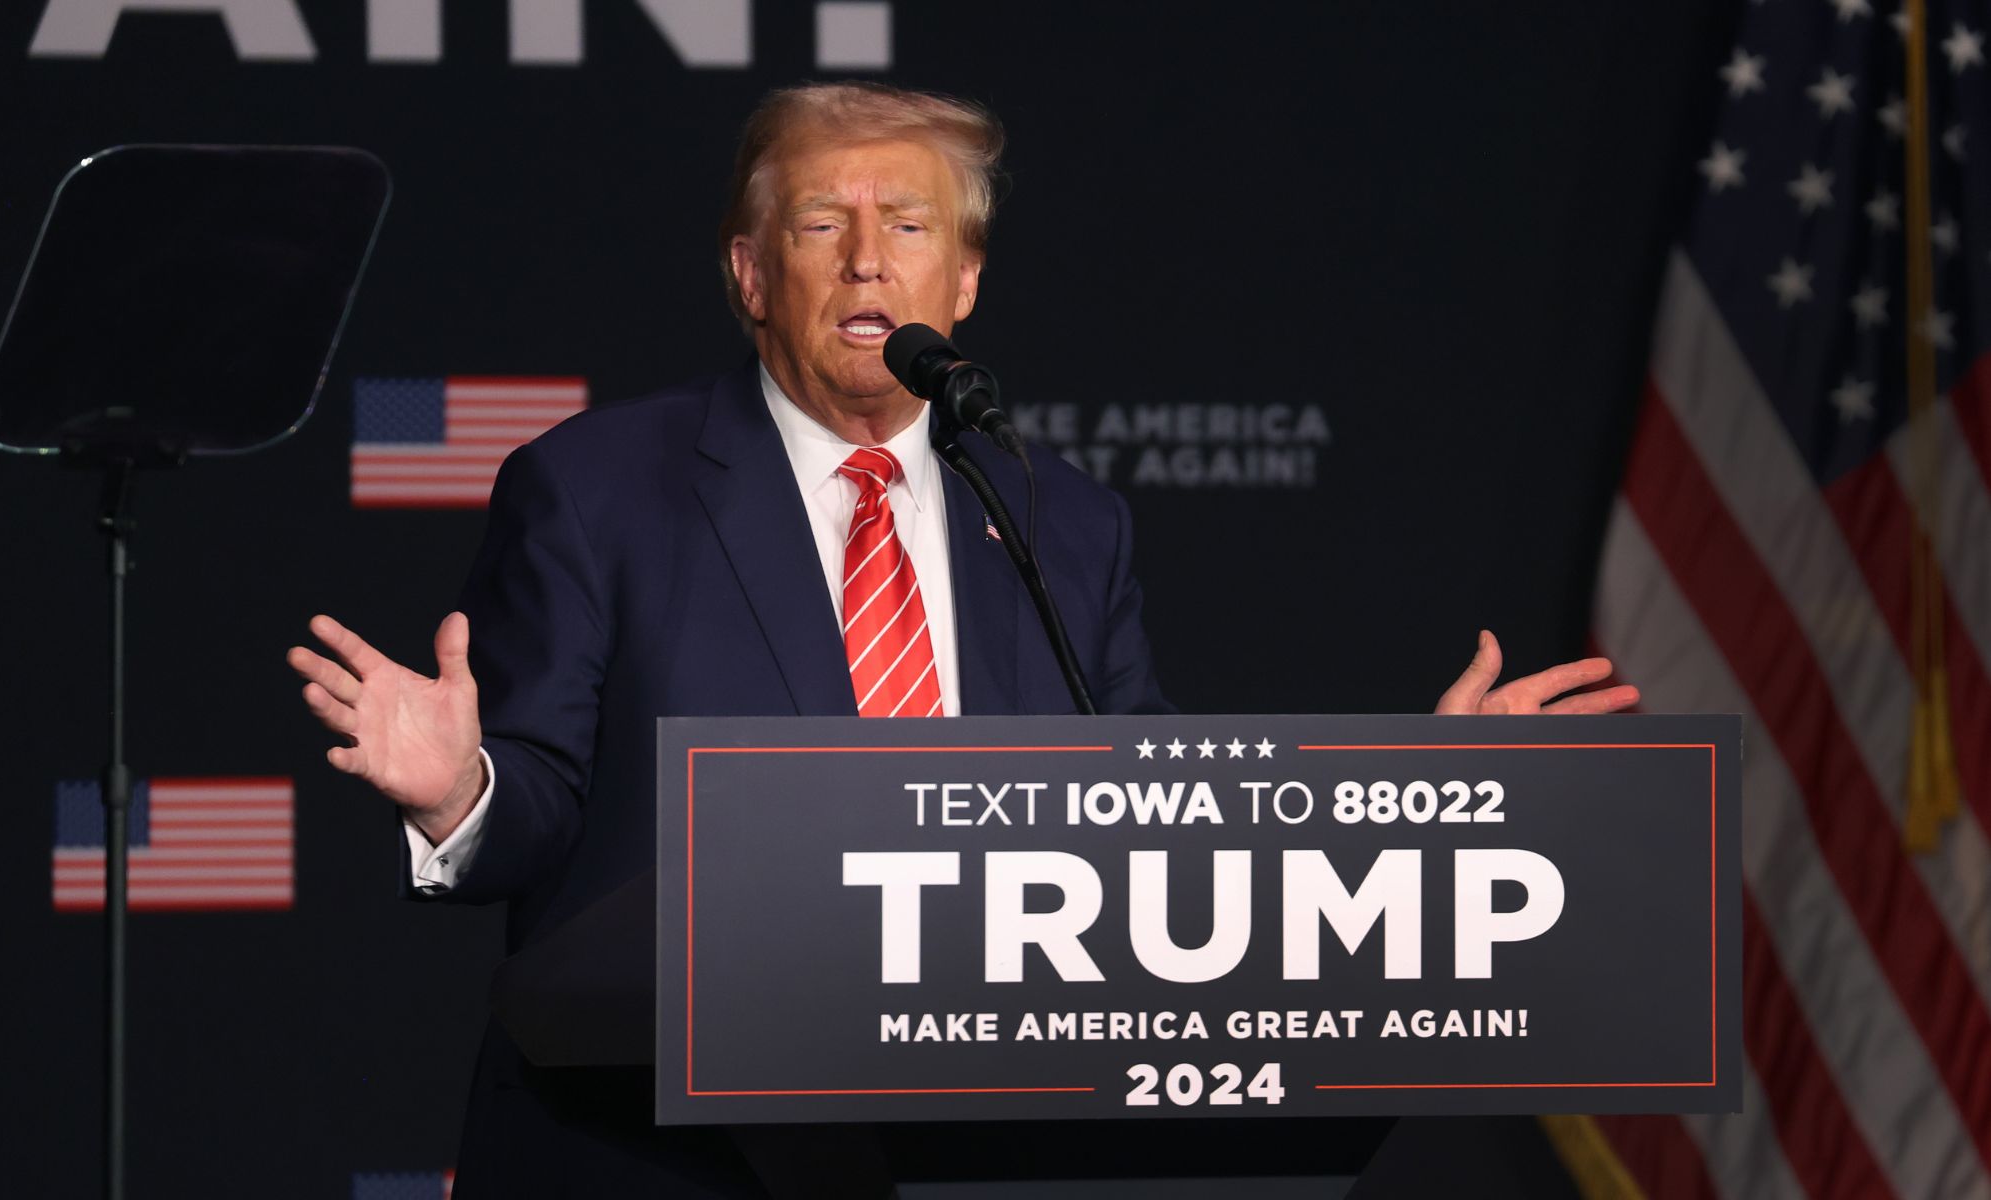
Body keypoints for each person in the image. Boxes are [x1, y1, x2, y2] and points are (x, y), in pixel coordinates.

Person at [286, 81, 1638, 1197]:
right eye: (823, 222)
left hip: (974, 1151)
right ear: (753, 273)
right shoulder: (594, 490)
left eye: (909, 224)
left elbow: (1156, 821)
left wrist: (1416, 808)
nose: (870, 258)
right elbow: (544, 809)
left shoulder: (1064, 522)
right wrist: (462, 788)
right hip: (658, 1156)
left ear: (966, 279)